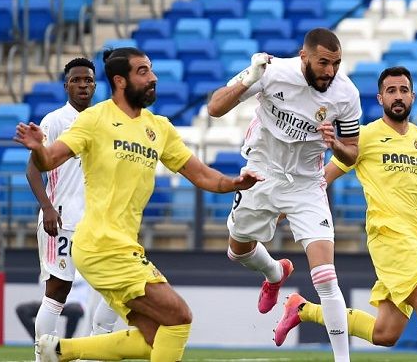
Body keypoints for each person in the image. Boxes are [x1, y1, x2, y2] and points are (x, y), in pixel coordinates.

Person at [15, 47, 263, 362]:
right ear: (120, 81)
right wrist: (38, 148)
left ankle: (60, 350)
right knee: (179, 316)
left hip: (124, 247)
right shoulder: (95, 118)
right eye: (143, 72)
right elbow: (49, 159)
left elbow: (202, 176)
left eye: (151, 70)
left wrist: (233, 183)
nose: (153, 78)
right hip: (100, 245)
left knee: (156, 336)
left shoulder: (158, 128)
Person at [273, 66, 417, 362]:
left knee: (386, 333)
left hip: (414, 241)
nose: (398, 96)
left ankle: (303, 309)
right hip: (388, 237)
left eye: (403, 90)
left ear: (412, 96)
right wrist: (282, 208)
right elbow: (323, 178)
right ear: (380, 98)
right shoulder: (365, 137)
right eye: (391, 91)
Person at [207, 28, 361, 361]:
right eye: (323, 63)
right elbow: (214, 108)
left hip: (306, 184)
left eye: (336, 64)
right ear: (304, 56)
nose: (330, 72)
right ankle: (275, 273)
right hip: (261, 172)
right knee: (237, 250)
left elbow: (353, 153)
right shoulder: (271, 71)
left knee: (325, 276)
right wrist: (249, 79)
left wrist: (335, 144)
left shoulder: (346, 94)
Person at [25, 57, 118, 361]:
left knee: (117, 286)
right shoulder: (54, 121)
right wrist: (48, 208)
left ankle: (93, 352)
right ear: (65, 85)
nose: (83, 85)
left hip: (95, 223)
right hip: (61, 220)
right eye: (76, 80)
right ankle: (42, 357)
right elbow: (32, 170)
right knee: (57, 293)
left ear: (95, 85)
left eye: (88, 80)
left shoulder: (104, 121)